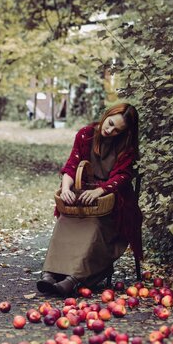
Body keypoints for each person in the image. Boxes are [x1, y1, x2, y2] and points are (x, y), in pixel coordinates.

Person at [37, 103, 143, 296]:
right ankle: (49, 274)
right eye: (109, 123)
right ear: (107, 115)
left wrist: (100, 191)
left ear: (124, 132)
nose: (109, 130)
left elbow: (122, 177)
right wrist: (67, 187)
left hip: (112, 204)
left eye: (116, 130)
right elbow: (72, 165)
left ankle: (73, 280)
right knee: (65, 220)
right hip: (84, 196)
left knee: (94, 226)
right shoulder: (86, 134)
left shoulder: (126, 148)